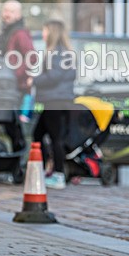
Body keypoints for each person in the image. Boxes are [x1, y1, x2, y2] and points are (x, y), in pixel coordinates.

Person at [32, 20, 76, 190]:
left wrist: (33, 80)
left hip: (55, 100)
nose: (43, 34)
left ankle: (58, 175)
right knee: (39, 134)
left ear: (52, 32)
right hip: (59, 99)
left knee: (55, 138)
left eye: (44, 30)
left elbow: (53, 77)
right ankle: (44, 171)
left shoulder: (57, 53)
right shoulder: (64, 52)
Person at [0, 0, 36, 160]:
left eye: (11, 11)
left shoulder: (20, 33)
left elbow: (31, 57)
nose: (6, 14)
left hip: (18, 89)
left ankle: (22, 165)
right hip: (9, 88)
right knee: (11, 128)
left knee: (18, 130)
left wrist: (13, 73)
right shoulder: (7, 32)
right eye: (5, 10)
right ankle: (16, 165)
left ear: (18, 14)